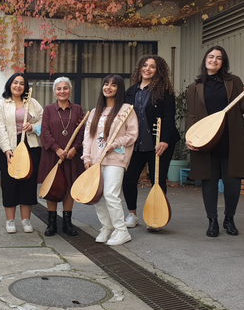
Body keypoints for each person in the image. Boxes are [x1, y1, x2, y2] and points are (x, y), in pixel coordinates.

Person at [185, 46, 244, 237]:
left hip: (231, 139)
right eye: (211, 57)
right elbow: (191, 114)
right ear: (205, 60)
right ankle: (212, 221)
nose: (214, 60)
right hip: (206, 141)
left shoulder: (234, 81)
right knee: (209, 182)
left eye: (219, 58)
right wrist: (190, 137)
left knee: (232, 182)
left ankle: (229, 219)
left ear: (223, 62)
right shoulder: (195, 86)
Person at [122, 55, 180, 229]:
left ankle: (156, 216)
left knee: (157, 179)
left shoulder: (165, 91)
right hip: (137, 143)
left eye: (152, 66)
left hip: (158, 144)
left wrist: (164, 141)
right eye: (145, 65)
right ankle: (132, 215)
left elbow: (169, 117)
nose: (147, 69)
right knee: (129, 178)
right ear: (139, 68)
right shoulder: (131, 91)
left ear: (158, 71)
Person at [82, 74, 138, 246]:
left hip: (116, 158)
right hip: (96, 160)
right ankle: (107, 227)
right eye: (106, 84)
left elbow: (132, 134)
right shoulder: (94, 112)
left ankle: (121, 231)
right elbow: (88, 137)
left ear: (119, 89)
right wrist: (87, 158)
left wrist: (115, 143)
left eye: (113, 85)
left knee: (110, 194)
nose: (108, 87)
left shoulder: (127, 109)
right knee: (98, 196)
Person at [0, 73, 43, 233]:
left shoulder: (33, 103)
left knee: (28, 182)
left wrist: (33, 127)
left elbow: (44, 120)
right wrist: (7, 149)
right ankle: (10, 221)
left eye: (22, 83)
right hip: (7, 148)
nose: (18, 86)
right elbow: (0, 129)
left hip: (30, 147)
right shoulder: (1, 104)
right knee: (9, 183)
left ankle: (26, 220)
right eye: (15, 82)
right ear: (10, 84)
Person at [37, 77, 85, 237]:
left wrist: (75, 148)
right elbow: (44, 131)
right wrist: (57, 149)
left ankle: (67, 223)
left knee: (70, 187)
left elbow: (82, 132)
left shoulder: (77, 109)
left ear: (70, 90)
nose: (62, 91)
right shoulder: (48, 109)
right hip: (52, 155)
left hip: (72, 156)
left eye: (65, 88)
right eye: (59, 88)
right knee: (52, 186)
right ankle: (51, 223)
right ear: (54, 92)